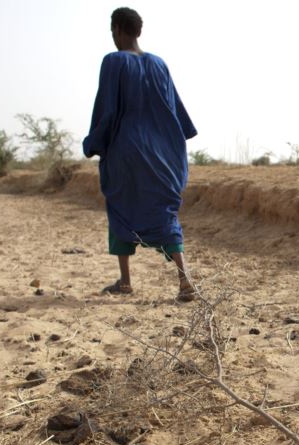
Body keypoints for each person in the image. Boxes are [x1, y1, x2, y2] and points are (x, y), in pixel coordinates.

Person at [83, 7, 198, 302]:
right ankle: (184, 280)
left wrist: (93, 142)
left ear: (119, 29)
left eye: (112, 30)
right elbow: (176, 111)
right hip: (166, 153)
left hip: (127, 150)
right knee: (164, 211)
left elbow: (108, 110)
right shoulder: (159, 63)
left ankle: (125, 281)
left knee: (121, 206)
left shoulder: (113, 62)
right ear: (139, 31)